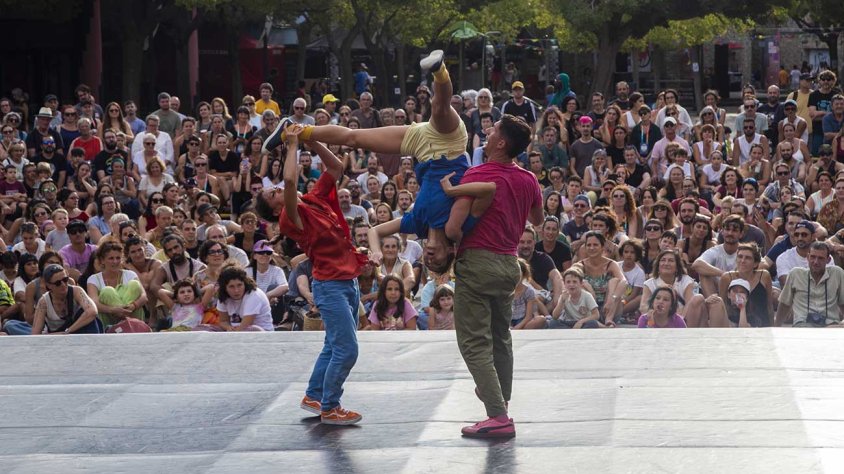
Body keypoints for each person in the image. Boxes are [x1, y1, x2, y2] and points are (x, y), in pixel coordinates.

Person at [255, 125, 368, 426]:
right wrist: (293, 144)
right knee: (347, 349)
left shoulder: (315, 197)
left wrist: (312, 137)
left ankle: (314, 395)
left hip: (347, 281)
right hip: (329, 285)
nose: (277, 187)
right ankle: (330, 406)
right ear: (274, 207)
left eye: (275, 187)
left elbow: (336, 166)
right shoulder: (289, 217)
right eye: (272, 193)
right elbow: (291, 179)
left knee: (333, 344)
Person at [775, 242, 844, 327]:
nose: (816, 262)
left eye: (821, 258)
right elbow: (784, 304)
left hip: (830, 326)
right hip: (803, 325)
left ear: (828, 260)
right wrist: (776, 327)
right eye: (813, 257)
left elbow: (843, 303)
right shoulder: (795, 274)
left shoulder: (837, 273)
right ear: (807, 257)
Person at [529, 267, 600, 329]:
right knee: (553, 323)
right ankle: (570, 332)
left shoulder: (586, 296)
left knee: (593, 323)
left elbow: (596, 315)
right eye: (568, 282)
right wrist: (562, 301)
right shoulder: (564, 296)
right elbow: (555, 316)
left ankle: (576, 333)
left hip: (583, 322)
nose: (571, 285)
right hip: (568, 322)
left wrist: (581, 322)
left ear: (581, 283)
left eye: (575, 282)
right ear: (564, 284)